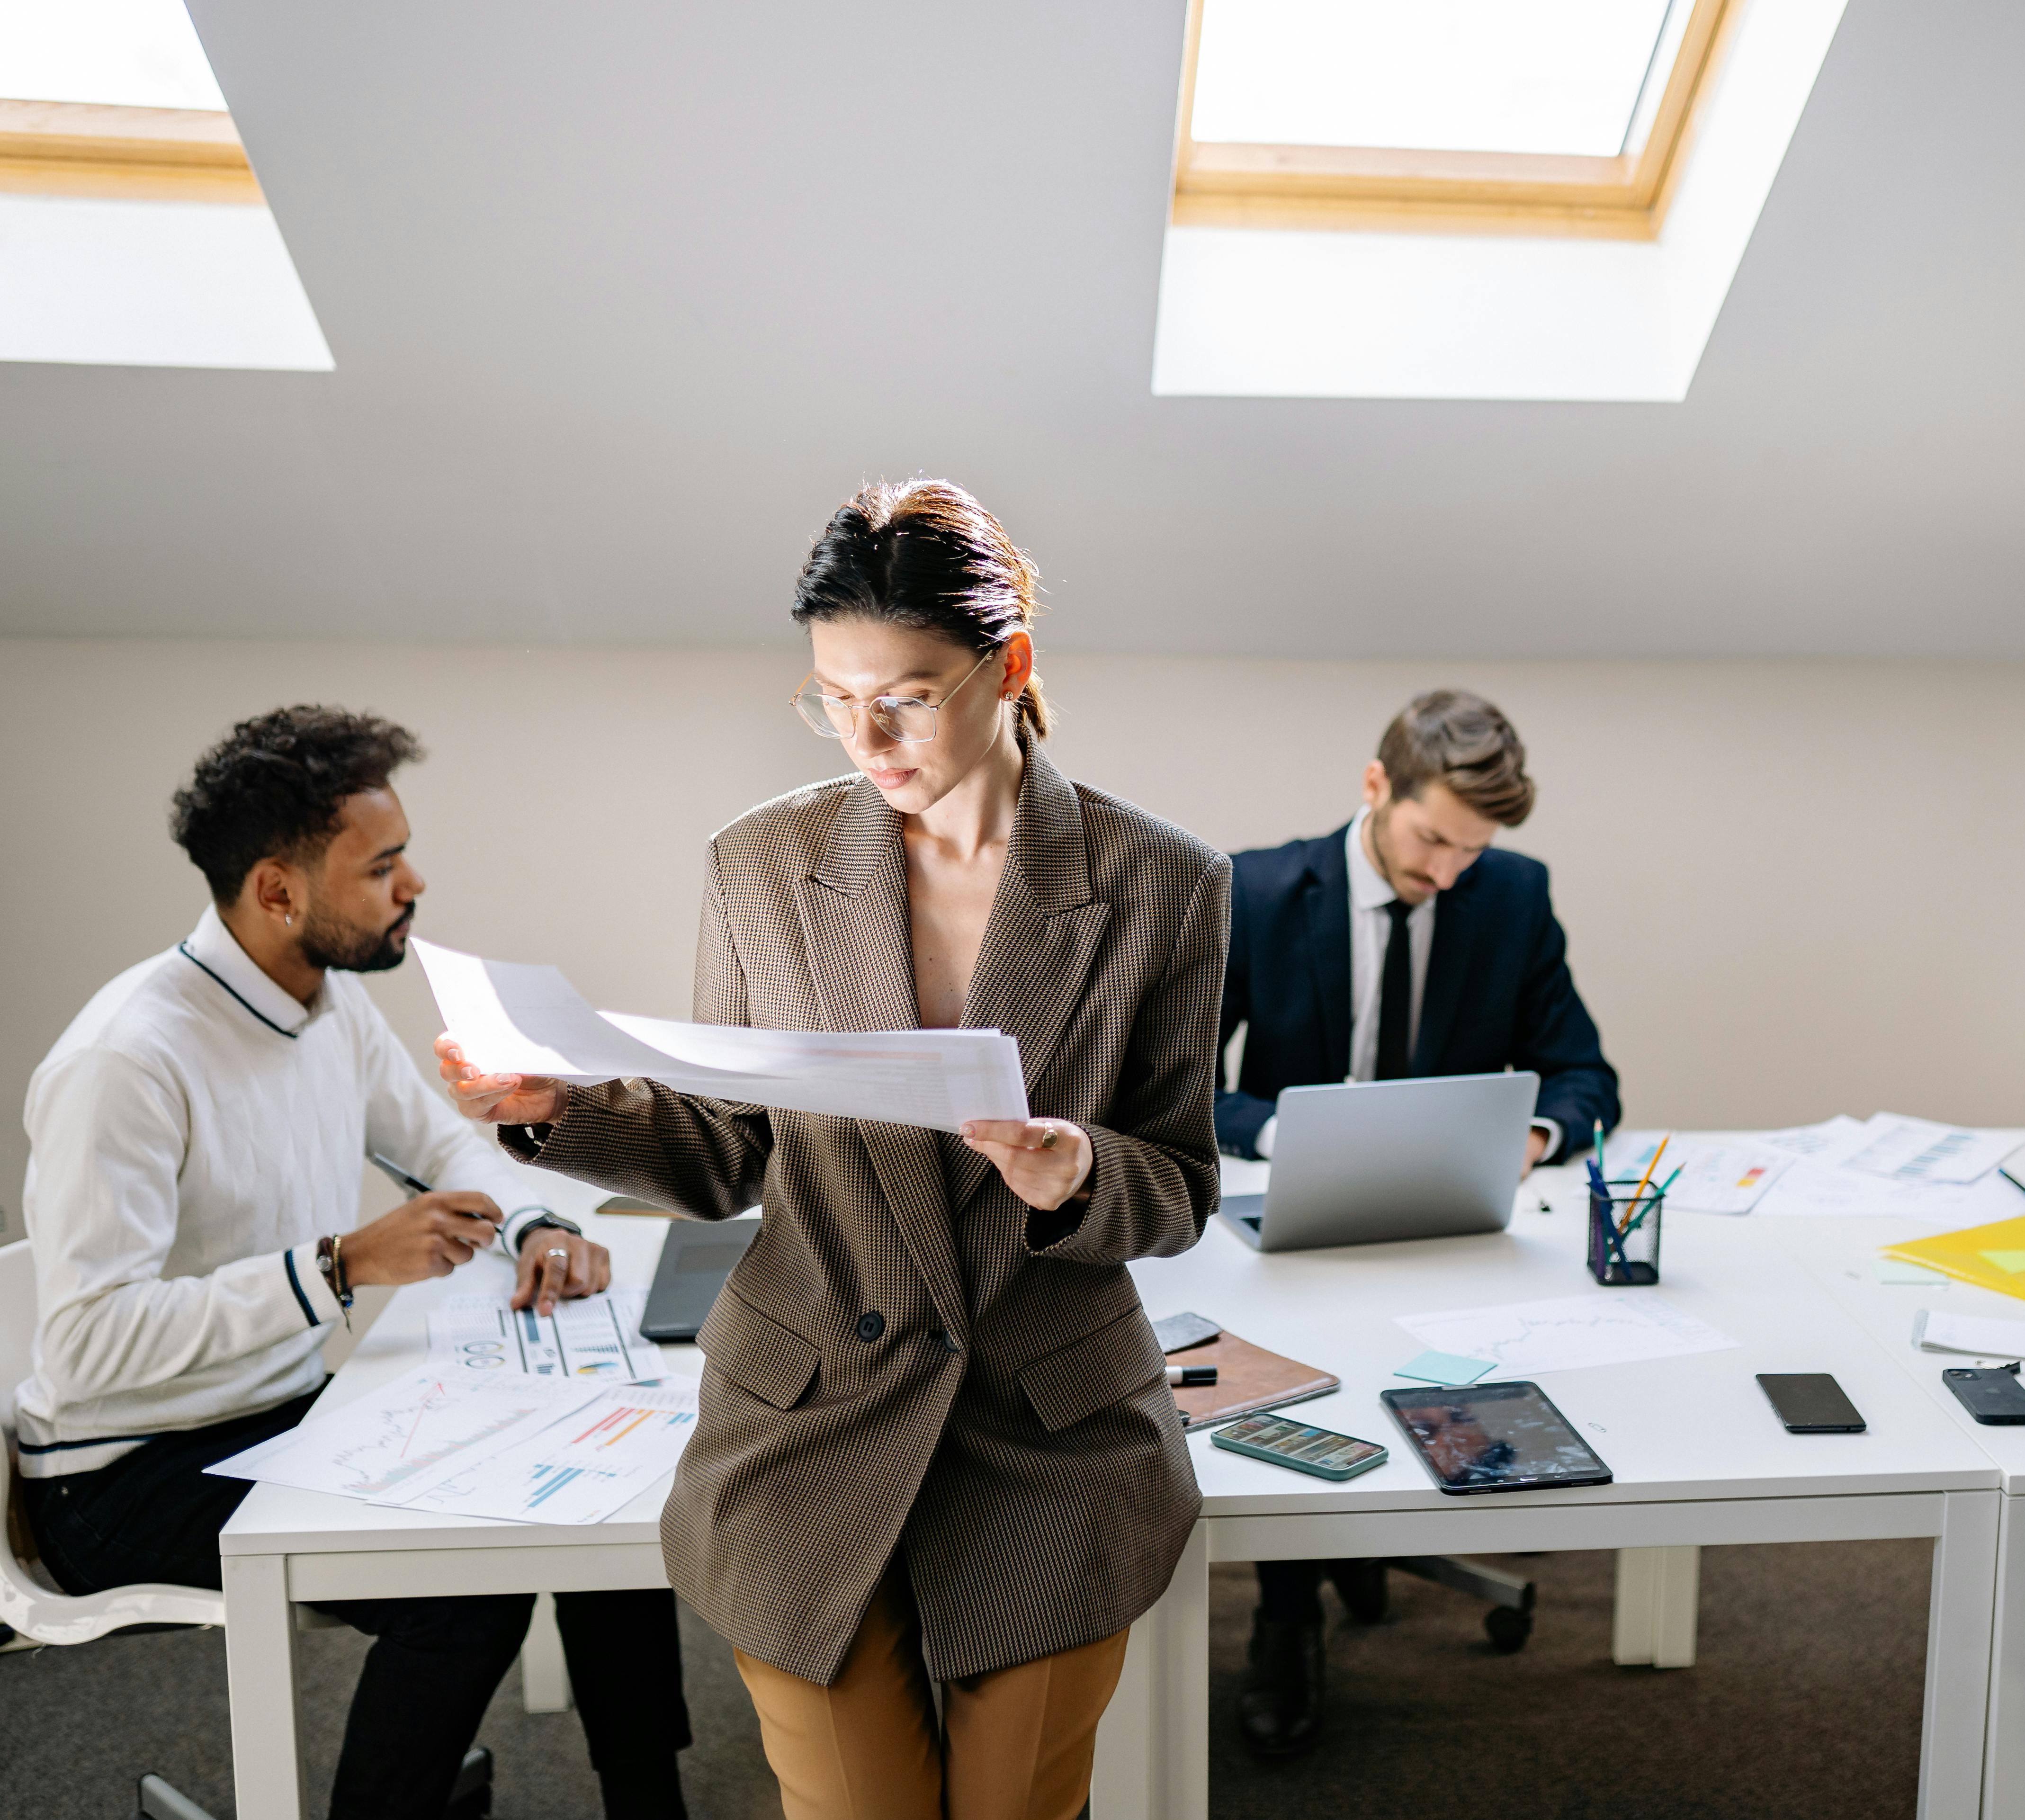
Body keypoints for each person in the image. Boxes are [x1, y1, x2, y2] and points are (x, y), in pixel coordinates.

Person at [438, 478, 1227, 1820]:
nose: (866, 733)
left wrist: (1078, 1175)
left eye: (906, 693)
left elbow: (1181, 1183)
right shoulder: (762, 861)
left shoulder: (1162, 881)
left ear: (1009, 667)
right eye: (830, 694)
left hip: (1044, 1428)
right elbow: (726, 1148)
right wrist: (548, 1107)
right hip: (808, 1416)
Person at [16, 707, 694, 1820]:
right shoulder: (127, 1062)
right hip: (124, 1470)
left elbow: (435, 1146)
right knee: (462, 1596)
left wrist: (535, 1227)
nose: (413, 881)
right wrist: (334, 1265)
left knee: (576, 1481)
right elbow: (87, 1346)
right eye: (381, 865)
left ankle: (644, 1791)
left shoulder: (319, 1001)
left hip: (277, 1408)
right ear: (278, 891)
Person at [1217, 689, 1621, 1757]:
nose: (1446, 870)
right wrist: (1284, 1133)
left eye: (1469, 851)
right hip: (1290, 1214)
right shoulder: (1256, 890)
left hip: (1448, 1221)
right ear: (1373, 788)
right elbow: (1170, 1082)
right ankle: (1287, 1608)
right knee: (1295, 1364)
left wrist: (1525, 1137)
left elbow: (1585, 1075)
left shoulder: (1511, 896)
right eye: (1430, 837)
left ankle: (1374, 1529)